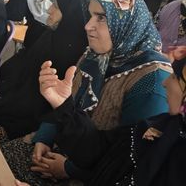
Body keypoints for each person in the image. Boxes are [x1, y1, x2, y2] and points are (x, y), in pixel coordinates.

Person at [19, 0, 172, 184]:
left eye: (101, 18)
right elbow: (68, 103)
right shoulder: (94, 56)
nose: (88, 26)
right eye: (90, 16)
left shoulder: (152, 81)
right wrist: (44, 137)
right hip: (64, 146)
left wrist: (68, 169)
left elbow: (130, 161)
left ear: (127, 24)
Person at [34, 46, 186, 185]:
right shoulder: (165, 125)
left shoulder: (151, 81)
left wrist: (68, 169)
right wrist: (64, 106)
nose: (166, 83)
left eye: (175, 78)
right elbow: (102, 153)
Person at [0, 0, 92, 140]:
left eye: (56, 6)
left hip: (27, 122)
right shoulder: (52, 34)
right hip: (11, 99)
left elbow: (41, 105)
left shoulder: (75, 55)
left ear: (71, 13)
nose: (49, 10)